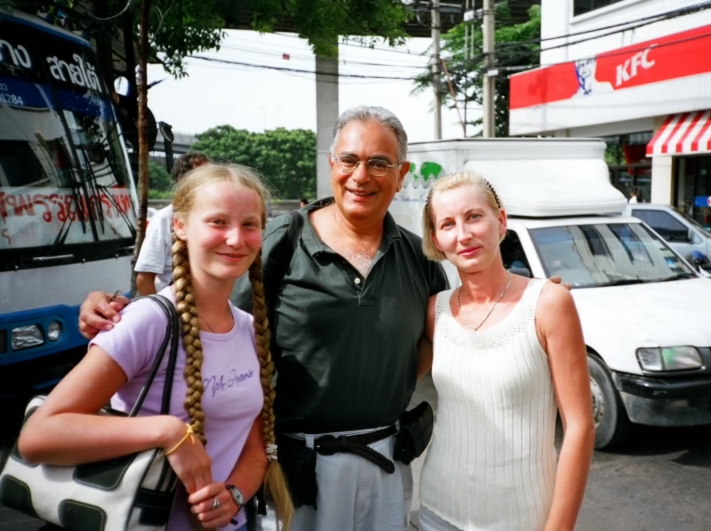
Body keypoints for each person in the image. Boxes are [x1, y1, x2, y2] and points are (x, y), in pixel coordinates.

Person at [77, 106, 448, 531]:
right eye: (349, 160)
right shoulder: (280, 242)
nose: (361, 176)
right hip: (292, 467)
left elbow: (437, 337)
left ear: (401, 175)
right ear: (331, 165)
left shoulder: (420, 258)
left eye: (379, 163)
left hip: (384, 461)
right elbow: (206, 314)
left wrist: (383, 379)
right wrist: (113, 308)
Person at [20, 163, 292, 530]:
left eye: (249, 224)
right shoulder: (148, 321)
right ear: (179, 227)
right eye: (217, 222)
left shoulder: (250, 329)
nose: (235, 239)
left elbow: (256, 450)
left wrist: (234, 496)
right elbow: (39, 436)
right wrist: (170, 433)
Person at [416, 172, 595, 531]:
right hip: (436, 512)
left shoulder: (549, 304)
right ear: (436, 239)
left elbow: (580, 426)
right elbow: (390, 379)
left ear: (500, 221)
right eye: (448, 224)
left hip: (522, 519)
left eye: (474, 217)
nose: (463, 234)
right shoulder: (434, 311)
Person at [135, 151, 210, 296]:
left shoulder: (214, 217)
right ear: (182, 182)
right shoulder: (164, 218)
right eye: (203, 177)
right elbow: (144, 280)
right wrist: (164, 316)